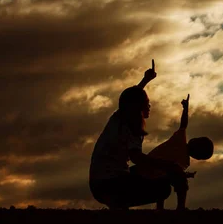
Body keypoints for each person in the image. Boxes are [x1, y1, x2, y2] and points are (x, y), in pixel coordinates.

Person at [89, 60, 212, 210]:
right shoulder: (130, 127)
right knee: (163, 189)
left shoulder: (118, 120)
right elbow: (136, 157)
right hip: (109, 183)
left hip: (102, 182)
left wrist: (146, 80)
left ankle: (120, 201)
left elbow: (130, 98)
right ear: (138, 107)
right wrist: (168, 166)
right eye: (147, 103)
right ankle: (119, 200)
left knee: (160, 182)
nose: (149, 105)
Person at [139, 93, 214, 211]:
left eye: (197, 140)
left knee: (165, 180)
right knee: (175, 181)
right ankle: (180, 207)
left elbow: (184, 124)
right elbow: (175, 172)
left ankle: (164, 208)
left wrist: (185, 109)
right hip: (147, 173)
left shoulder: (180, 142)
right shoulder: (185, 161)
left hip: (145, 171)